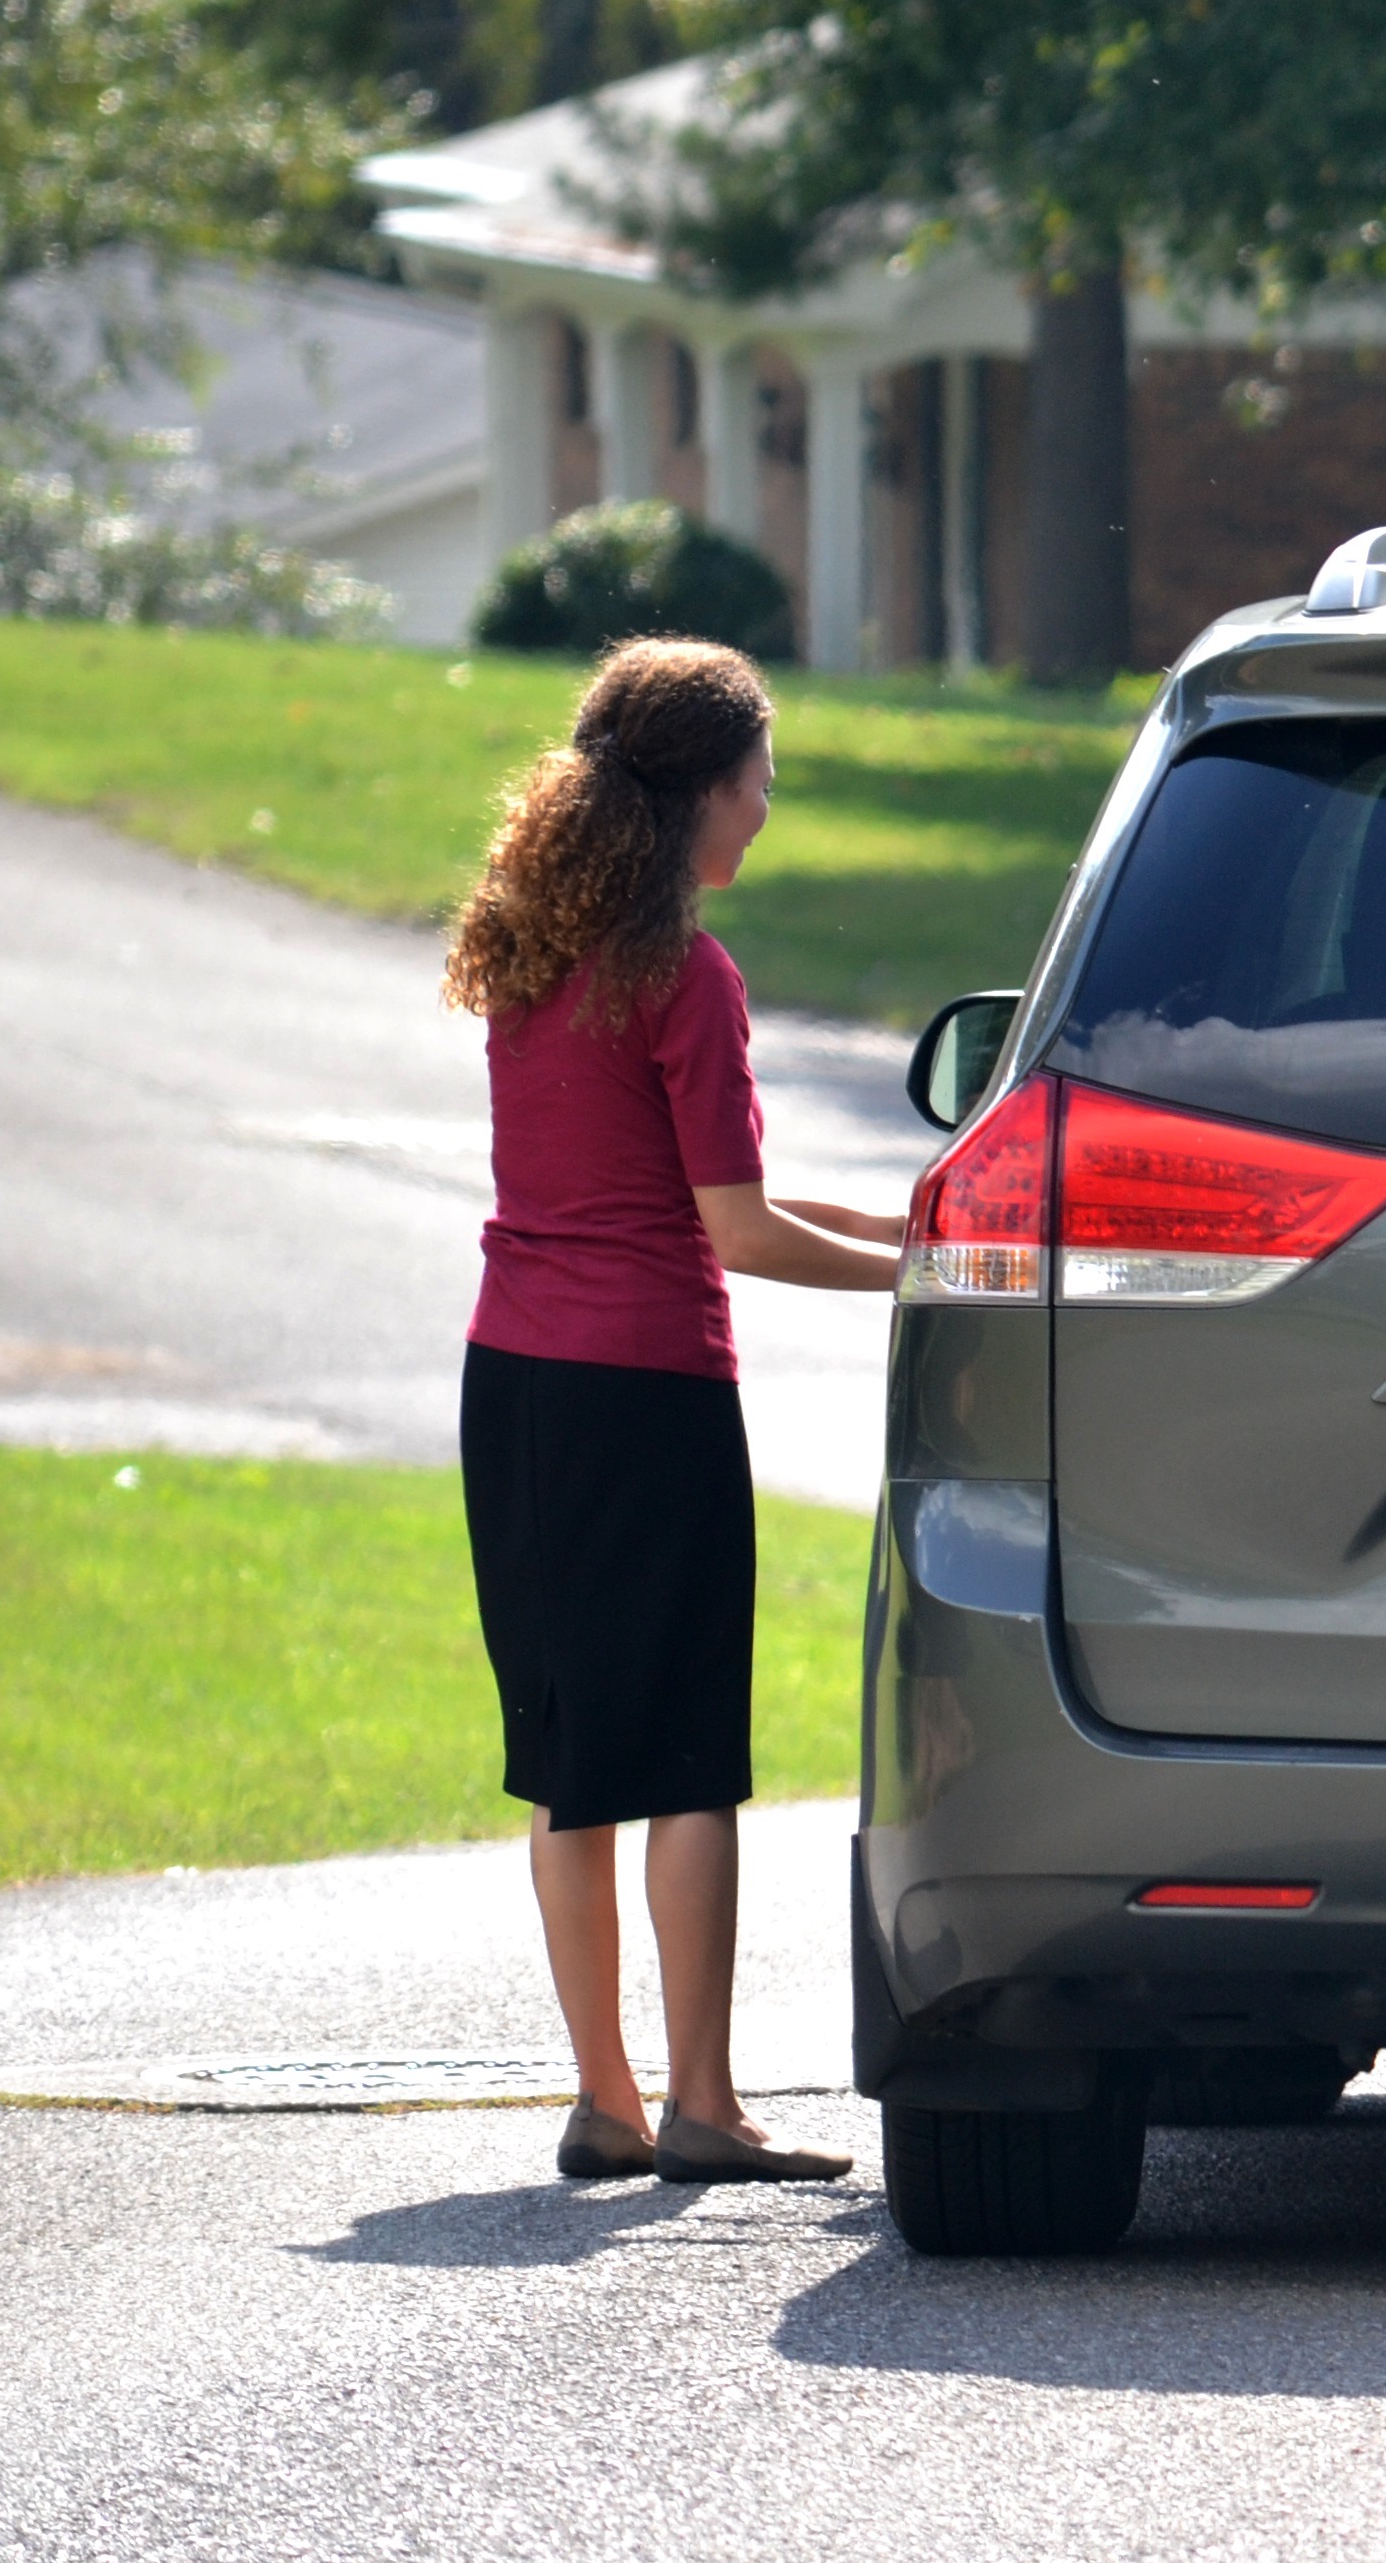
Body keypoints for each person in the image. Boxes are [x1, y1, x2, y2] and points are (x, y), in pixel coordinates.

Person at [440, 637, 907, 2187]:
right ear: (704, 792)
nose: (767, 808)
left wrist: (920, 1227)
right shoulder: (686, 975)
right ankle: (705, 2105)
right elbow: (743, 1233)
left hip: (512, 1384)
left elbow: (724, 1190)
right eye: (760, 780)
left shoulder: (533, 948)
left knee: (575, 1758)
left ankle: (607, 2098)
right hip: (645, 1392)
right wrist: (927, 1287)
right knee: (690, 1761)